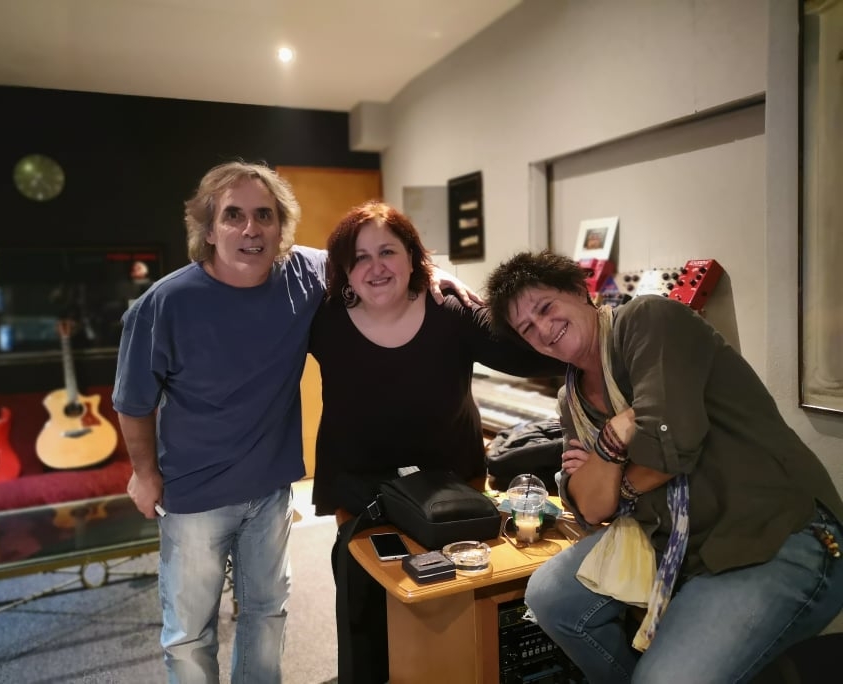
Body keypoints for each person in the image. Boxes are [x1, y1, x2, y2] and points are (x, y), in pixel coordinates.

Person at [112, 161, 480, 684]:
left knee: (266, 617)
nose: (251, 229)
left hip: (269, 493)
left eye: (264, 215)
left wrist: (436, 273)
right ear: (208, 228)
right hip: (193, 496)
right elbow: (133, 401)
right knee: (190, 635)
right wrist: (144, 472)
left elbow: (374, 262)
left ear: (280, 225)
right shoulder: (164, 304)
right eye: (233, 215)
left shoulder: (304, 274)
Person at [483, 250, 843, 684]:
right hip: (673, 540)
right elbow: (592, 508)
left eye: (545, 307)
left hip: (774, 535)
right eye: (527, 328)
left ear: (579, 291)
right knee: (551, 597)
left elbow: (671, 451)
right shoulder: (570, 398)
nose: (543, 329)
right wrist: (615, 439)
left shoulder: (647, 321)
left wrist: (609, 472)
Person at [308, 202, 565, 683]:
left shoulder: (451, 312)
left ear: (412, 256)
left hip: (451, 485)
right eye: (360, 257)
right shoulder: (326, 318)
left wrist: (601, 335)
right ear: (345, 270)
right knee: (366, 599)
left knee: (449, 598)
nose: (375, 266)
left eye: (388, 251)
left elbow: (528, 354)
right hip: (361, 488)